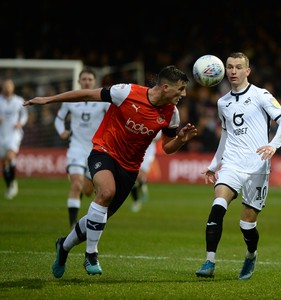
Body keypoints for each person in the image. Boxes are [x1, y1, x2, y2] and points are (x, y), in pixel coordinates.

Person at [23, 65, 197, 278]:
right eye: (180, 89)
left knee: (98, 218)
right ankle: (91, 254)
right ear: (166, 87)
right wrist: (48, 100)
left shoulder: (172, 114)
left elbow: (168, 147)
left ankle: (63, 246)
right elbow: (87, 94)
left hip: (130, 166)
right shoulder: (127, 92)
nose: (184, 94)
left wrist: (181, 140)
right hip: (103, 151)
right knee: (106, 192)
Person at [195, 52, 281, 280]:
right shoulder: (223, 102)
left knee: (246, 225)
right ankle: (209, 262)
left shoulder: (261, 95)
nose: (233, 71)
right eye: (230, 67)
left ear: (247, 71)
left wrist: (273, 145)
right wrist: (214, 165)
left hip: (258, 167)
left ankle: (251, 255)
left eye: (238, 67)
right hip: (232, 164)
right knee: (218, 206)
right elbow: (225, 136)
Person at [54, 69, 110, 228]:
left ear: (94, 82)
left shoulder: (103, 101)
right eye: (84, 79)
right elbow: (59, 119)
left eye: (89, 79)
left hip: (95, 150)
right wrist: (61, 131)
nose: (86, 82)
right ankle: (73, 224)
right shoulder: (70, 100)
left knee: (86, 191)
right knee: (76, 185)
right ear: (79, 81)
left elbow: (113, 118)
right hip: (76, 148)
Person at [0, 79, 28, 199]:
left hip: (14, 133)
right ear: (2, 87)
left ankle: (12, 184)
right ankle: (10, 184)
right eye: (6, 86)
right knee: (5, 162)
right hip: (1, 133)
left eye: (9, 86)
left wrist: (20, 123)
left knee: (10, 156)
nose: (7, 88)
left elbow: (25, 114)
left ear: (13, 88)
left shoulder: (18, 101)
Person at [130, 131, 161, 212]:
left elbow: (158, 137)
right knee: (134, 176)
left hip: (148, 152)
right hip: (137, 149)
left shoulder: (159, 121)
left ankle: (142, 185)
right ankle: (136, 201)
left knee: (139, 176)